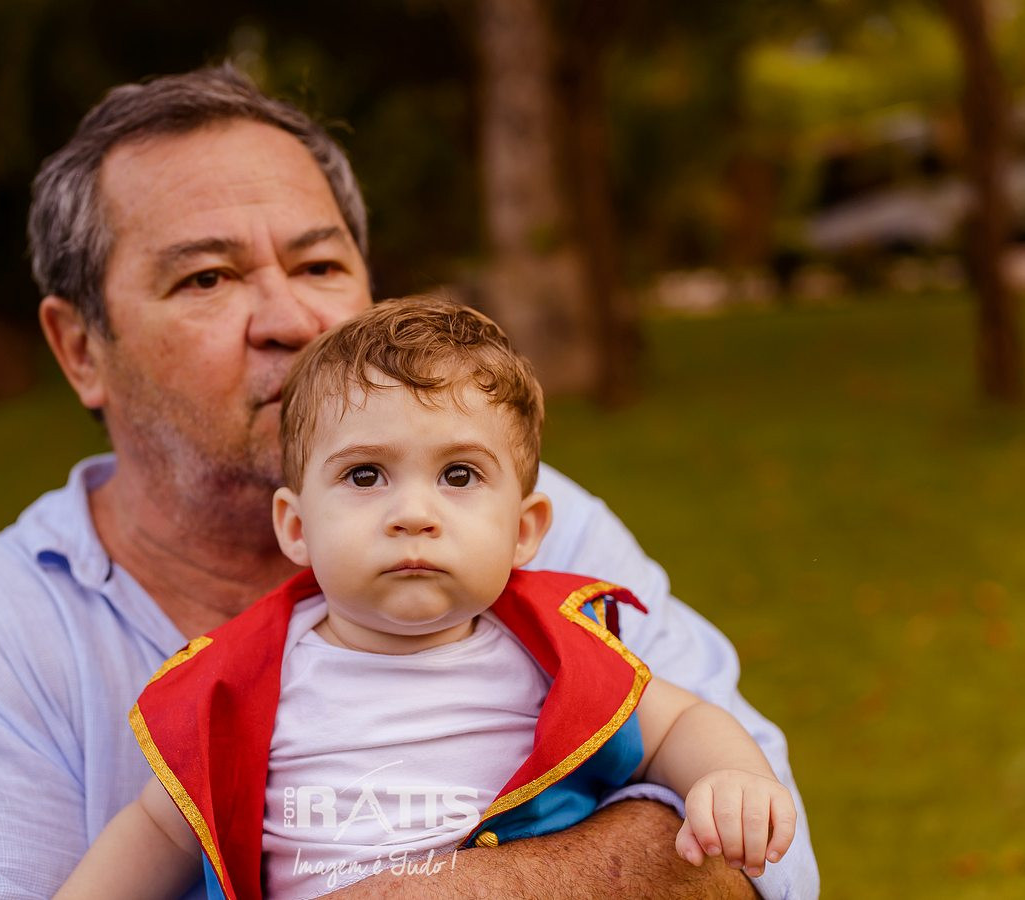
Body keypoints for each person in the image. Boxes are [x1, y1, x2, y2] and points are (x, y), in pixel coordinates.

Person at [0, 65, 819, 898]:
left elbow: (765, 859)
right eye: (206, 279)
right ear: (79, 349)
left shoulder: (532, 529)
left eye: (318, 265)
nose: (292, 321)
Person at [55, 298, 799, 900]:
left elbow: (678, 727)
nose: (413, 513)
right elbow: (159, 829)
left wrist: (730, 777)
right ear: (296, 527)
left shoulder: (553, 659)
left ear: (524, 530)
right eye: (365, 476)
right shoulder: (243, 683)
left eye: (459, 476)